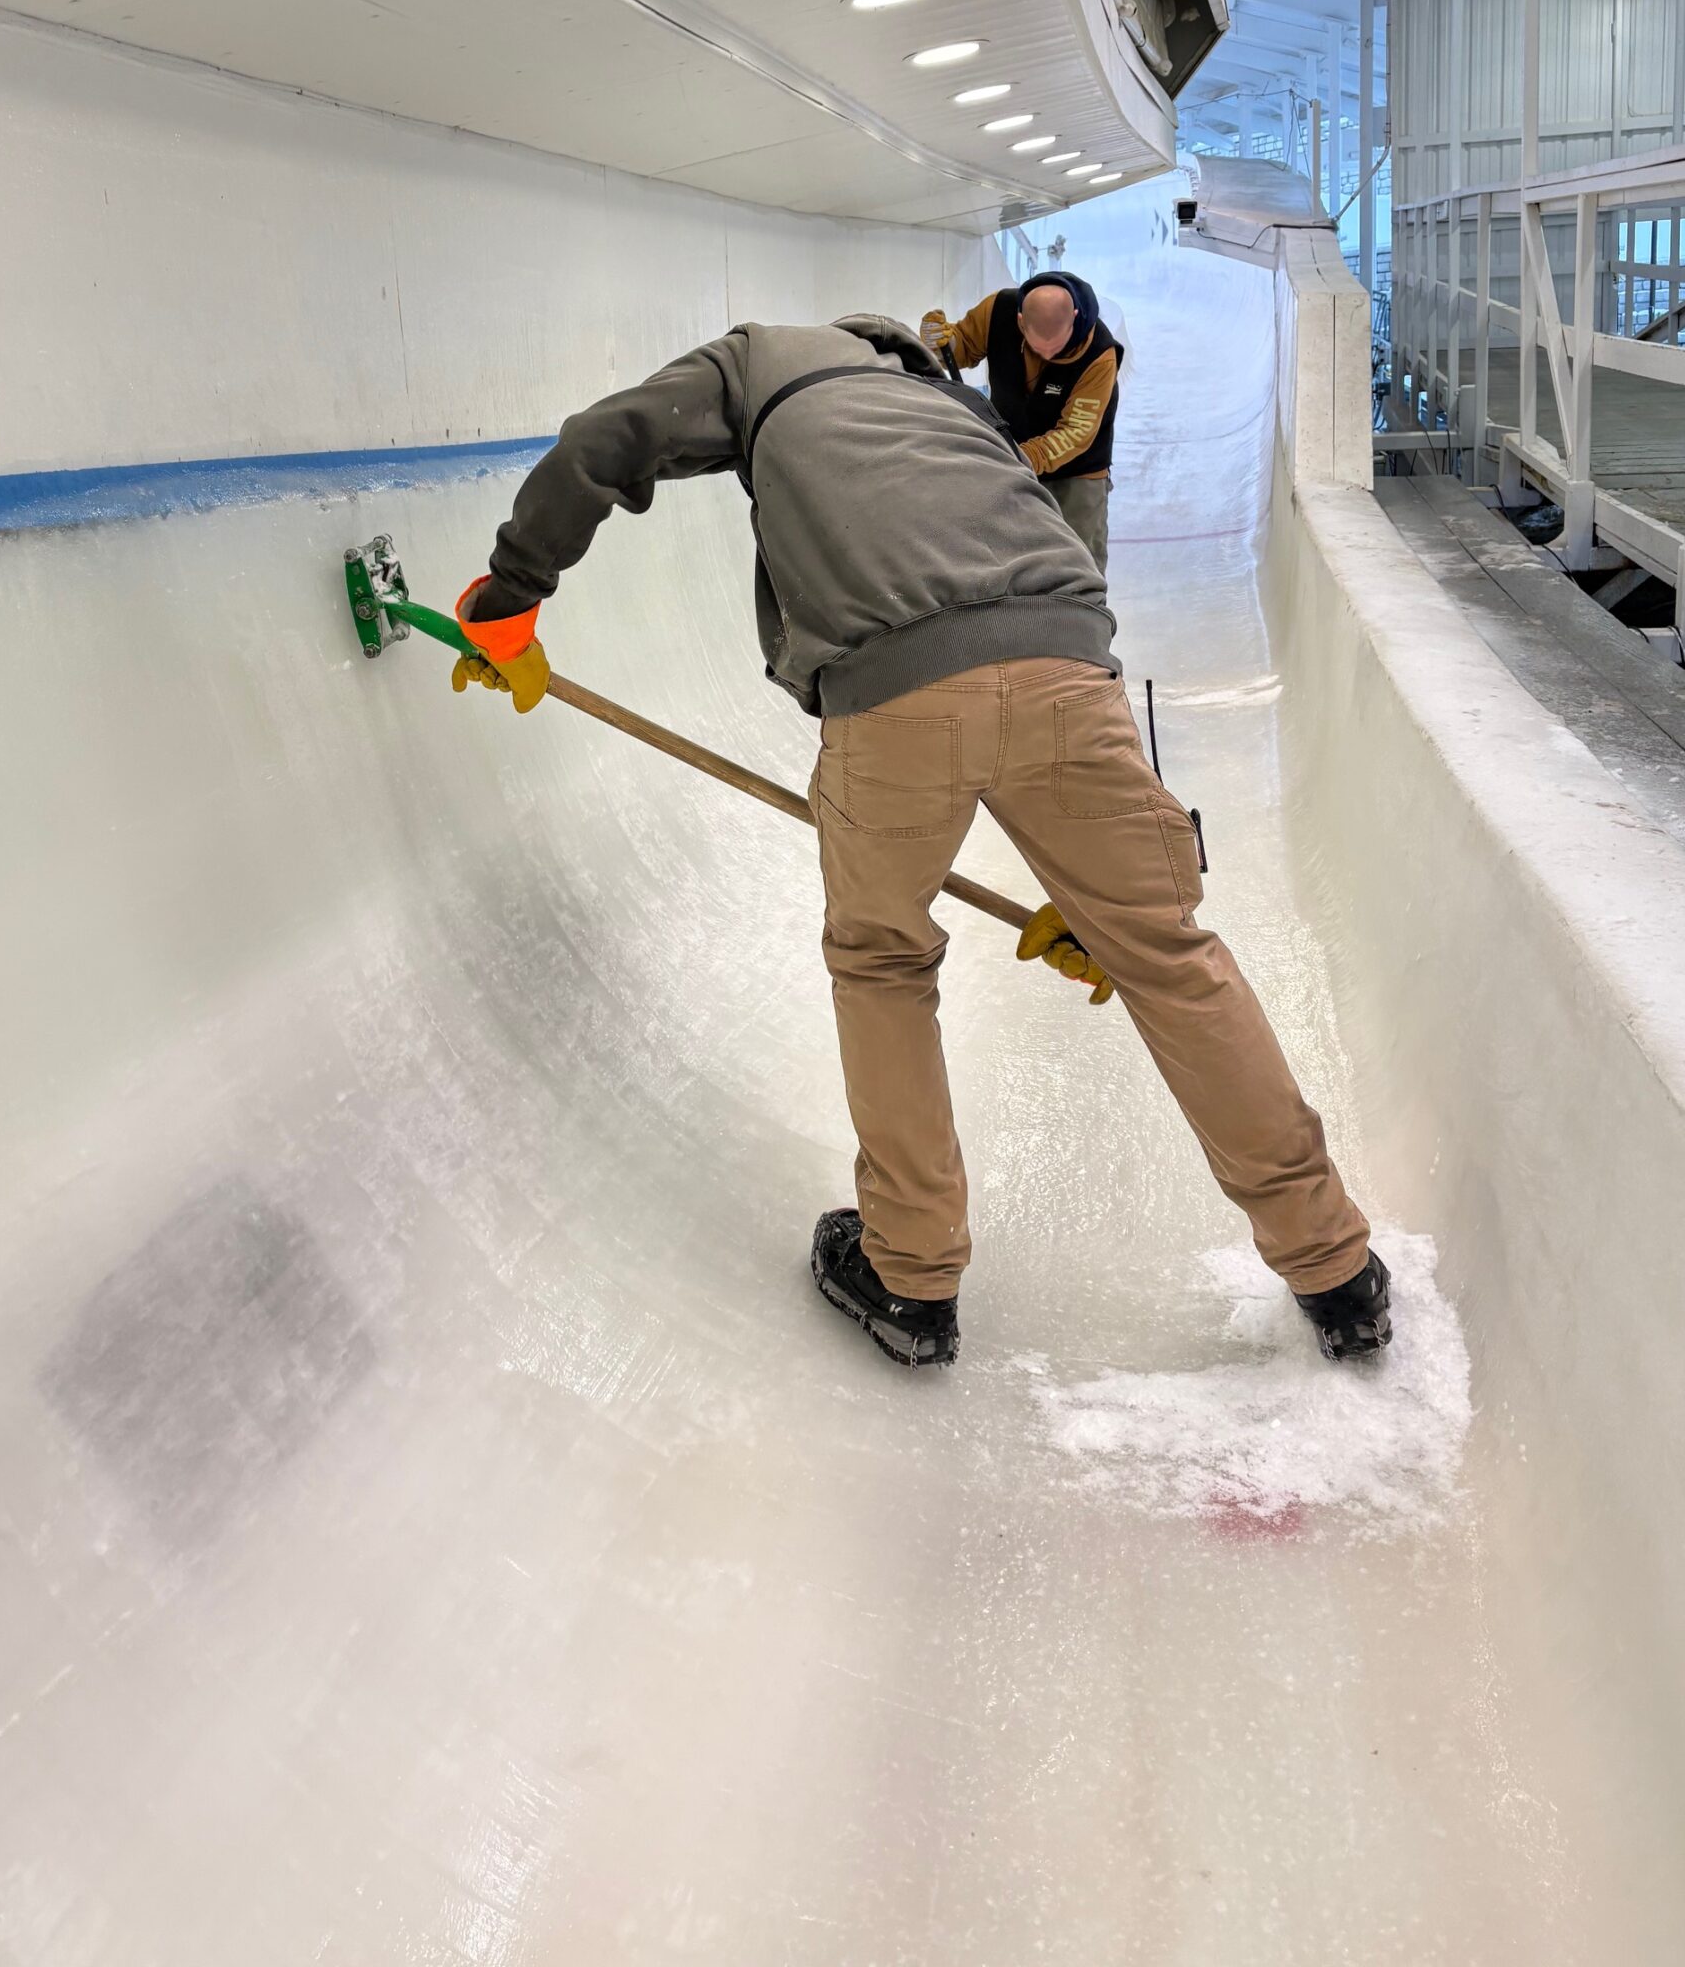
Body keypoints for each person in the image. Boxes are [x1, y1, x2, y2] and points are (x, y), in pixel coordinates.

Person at [452, 314, 1391, 1372]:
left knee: (884, 962)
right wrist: (1104, 903)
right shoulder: (955, 406)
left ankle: (910, 1272)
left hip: (894, 688)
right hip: (1069, 671)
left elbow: (605, 441)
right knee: (1165, 955)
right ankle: (1333, 1264)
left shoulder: (757, 361)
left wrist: (510, 595)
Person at [921, 268, 1124, 570]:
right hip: (1013, 450)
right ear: (1020, 322)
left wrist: (1018, 457)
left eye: (1057, 346)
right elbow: (964, 347)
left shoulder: (1098, 354)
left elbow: (1075, 432)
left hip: (1078, 471)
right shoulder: (997, 311)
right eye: (1038, 346)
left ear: (1074, 318)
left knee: (1079, 560)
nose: (1048, 356)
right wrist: (944, 345)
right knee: (1008, 549)